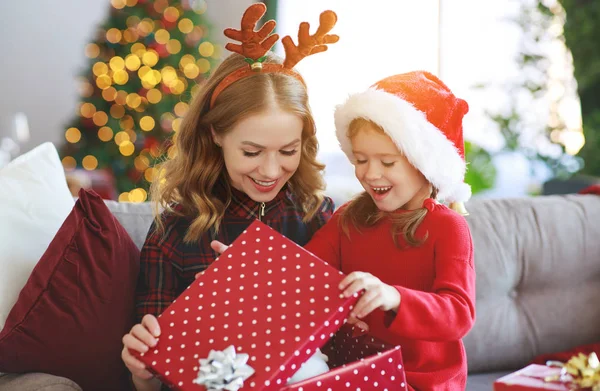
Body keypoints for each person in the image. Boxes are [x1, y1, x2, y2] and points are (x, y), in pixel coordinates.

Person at [120, 4, 339, 390]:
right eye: (252, 152)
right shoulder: (177, 230)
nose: (271, 171)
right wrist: (142, 370)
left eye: (288, 151)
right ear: (215, 135)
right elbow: (155, 378)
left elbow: (342, 349)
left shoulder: (316, 216)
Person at [302, 70, 476, 390]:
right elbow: (304, 271)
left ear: (423, 163)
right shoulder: (347, 219)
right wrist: (254, 268)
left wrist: (394, 296)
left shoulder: (449, 227)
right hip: (355, 369)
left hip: (422, 381)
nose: (370, 173)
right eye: (360, 159)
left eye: (387, 162)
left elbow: (459, 313)